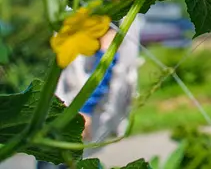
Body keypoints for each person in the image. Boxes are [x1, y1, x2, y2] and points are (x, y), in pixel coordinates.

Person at [38, 13, 143, 168]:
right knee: (61, 157)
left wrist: (86, 109)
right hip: (71, 108)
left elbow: (104, 68)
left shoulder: (115, 25)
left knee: (62, 157)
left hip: (80, 110)